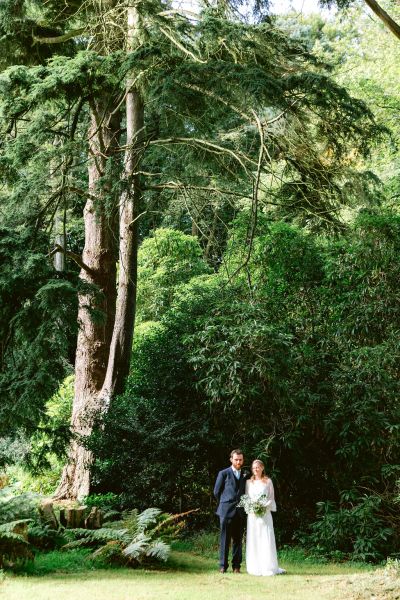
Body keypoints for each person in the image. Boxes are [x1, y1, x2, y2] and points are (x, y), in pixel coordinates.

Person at [245, 459, 285, 576]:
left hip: (265, 514)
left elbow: (271, 498)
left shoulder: (268, 481)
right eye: (253, 468)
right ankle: (255, 566)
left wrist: (264, 507)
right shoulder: (248, 482)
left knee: (265, 538)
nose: (255, 469)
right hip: (253, 515)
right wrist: (252, 508)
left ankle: (268, 566)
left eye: (257, 467)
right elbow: (247, 498)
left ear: (262, 468)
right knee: (254, 539)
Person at [214, 448, 248, 573]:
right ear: (231, 460)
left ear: (243, 460)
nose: (238, 462)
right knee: (224, 539)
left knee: (238, 540)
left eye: (240, 460)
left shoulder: (246, 474)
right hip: (226, 511)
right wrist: (225, 503)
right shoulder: (223, 473)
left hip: (240, 511)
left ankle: (236, 566)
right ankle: (223, 566)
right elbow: (216, 492)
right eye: (236, 459)